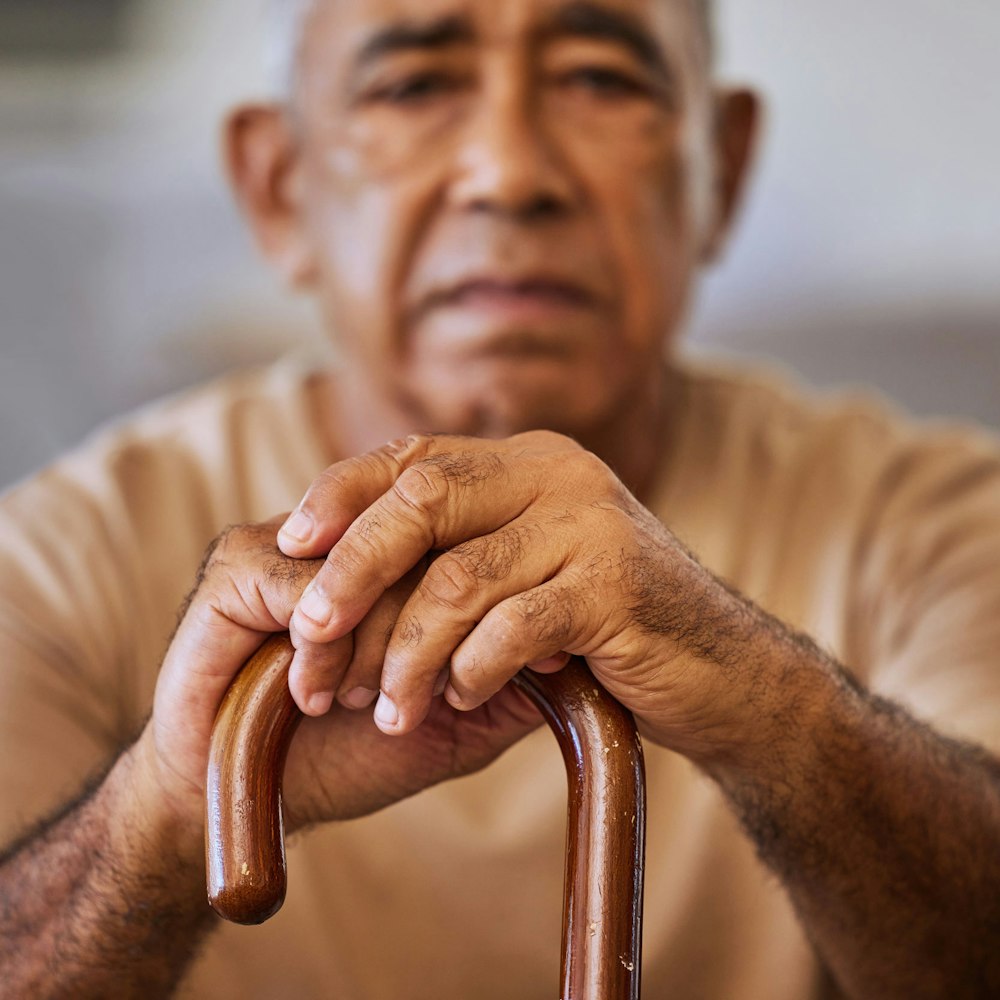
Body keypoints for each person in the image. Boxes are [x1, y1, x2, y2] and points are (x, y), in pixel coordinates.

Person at [1, 0, 998, 996]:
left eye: (600, 79)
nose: (511, 175)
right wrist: (169, 813)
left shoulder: (939, 522)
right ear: (279, 186)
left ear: (721, 171)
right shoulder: (55, 562)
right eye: (413, 86)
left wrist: (778, 715)